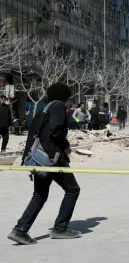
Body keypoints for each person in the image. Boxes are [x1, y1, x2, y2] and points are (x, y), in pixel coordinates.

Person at [8, 82, 83, 245]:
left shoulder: (44, 107)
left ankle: (20, 230)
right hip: (52, 158)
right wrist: (66, 147)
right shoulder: (57, 106)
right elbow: (56, 131)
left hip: (39, 158)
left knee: (40, 195)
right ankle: (60, 228)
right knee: (72, 189)